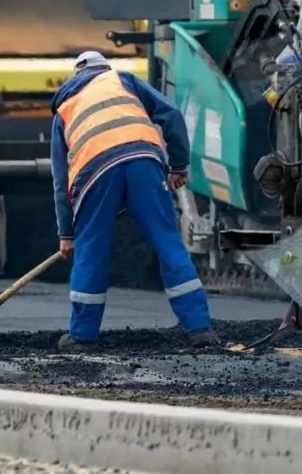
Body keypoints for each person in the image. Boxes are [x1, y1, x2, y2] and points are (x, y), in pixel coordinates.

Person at [50, 51, 218, 351]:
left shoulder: (65, 106)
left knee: (91, 250)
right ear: (104, 68)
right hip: (144, 161)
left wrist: (67, 233)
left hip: (94, 173)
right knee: (169, 244)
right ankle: (200, 330)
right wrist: (178, 166)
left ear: (76, 76)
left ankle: (82, 336)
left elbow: (61, 181)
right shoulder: (124, 81)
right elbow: (172, 115)